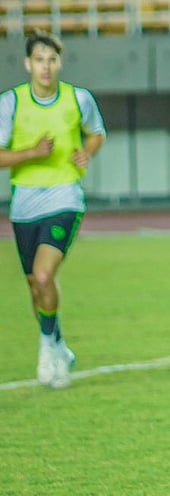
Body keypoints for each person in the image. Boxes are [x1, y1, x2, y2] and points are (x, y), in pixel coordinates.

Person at [0, 30, 105, 390]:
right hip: (24, 203)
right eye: (39, 60)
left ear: (59, 64)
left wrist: (87, 152)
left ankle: (47, 348)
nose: (46, 67)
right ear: (28, 64)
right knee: (34, 286)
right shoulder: (10, 103)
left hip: (64, 198)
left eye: (52, 60)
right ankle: (59, 343)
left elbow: (97, 133)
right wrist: (30, 153)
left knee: (44, 276)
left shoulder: (79, 99)